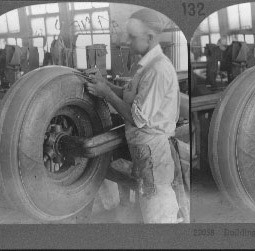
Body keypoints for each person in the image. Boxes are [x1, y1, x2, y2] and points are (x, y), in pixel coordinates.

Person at [85, 8, 181, 223]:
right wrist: (103, 83)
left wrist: (106, 93)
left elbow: (137, 117)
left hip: (153, 151)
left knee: (157, 210)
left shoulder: (157, 70)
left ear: (148, 37)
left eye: (132, 36)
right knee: (147, 204)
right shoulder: (145, 67)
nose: (127, 41)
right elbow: (130, 97)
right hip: (144, 149)